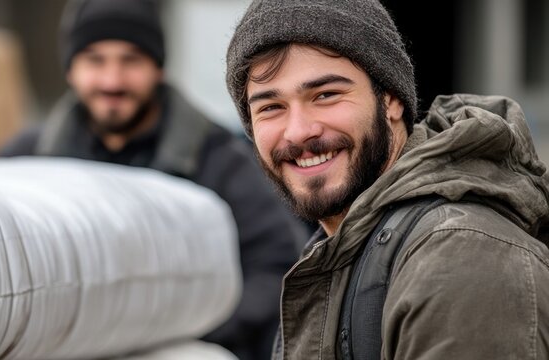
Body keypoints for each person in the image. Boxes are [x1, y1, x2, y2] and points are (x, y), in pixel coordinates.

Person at [225, 0, 549, 359]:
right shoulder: (341, 249)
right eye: (271, 107)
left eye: (326, 95)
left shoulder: (461, 255)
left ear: (391, 98)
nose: (299, 132)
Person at [0, 0, 308, 359]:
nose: (112, 80)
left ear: (158, 67)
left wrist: (202, 332)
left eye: (131, 60)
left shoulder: (218, 158)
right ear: (70, 70)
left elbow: (277, 265)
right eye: (95, 61)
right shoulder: (27, 158)